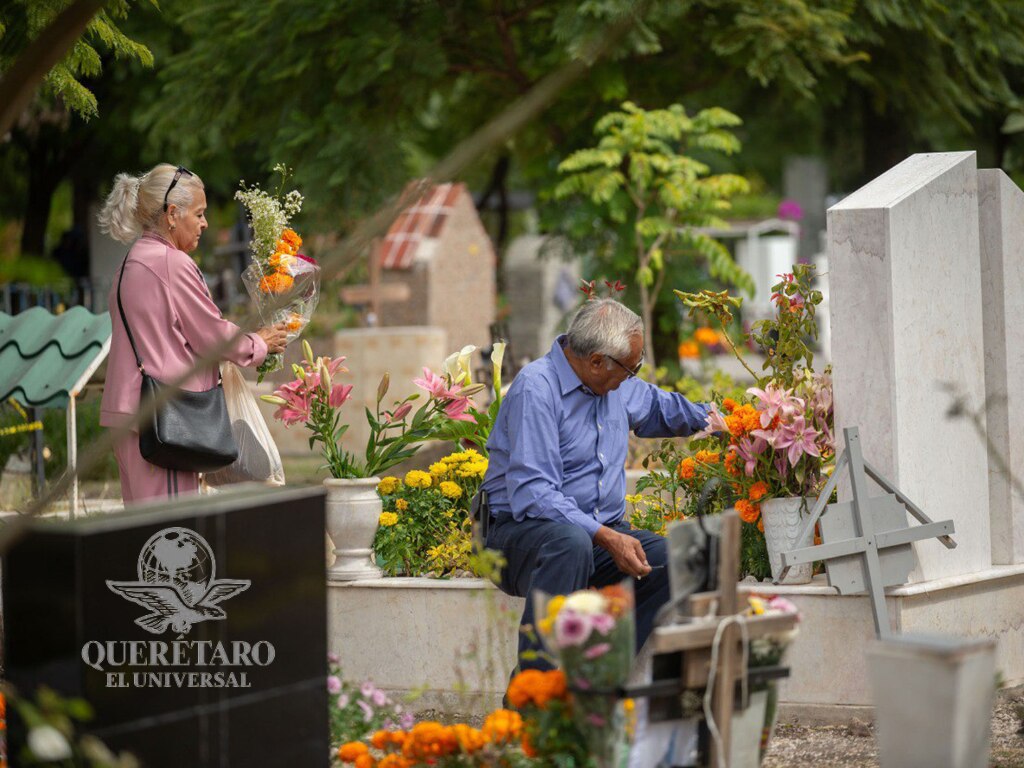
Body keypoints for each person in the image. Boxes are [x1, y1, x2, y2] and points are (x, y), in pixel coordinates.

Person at [481, 298, 710, 671]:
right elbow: (534, 493)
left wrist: (717, 419)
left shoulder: (614, 383)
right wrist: (604, 535)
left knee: (679, 561)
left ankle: (595, 677)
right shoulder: (536, 389)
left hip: (592, 537)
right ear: (596, 362)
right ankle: (531, 700)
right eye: (631, 368)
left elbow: (658, 407)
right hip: (518, 537)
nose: (633, 376)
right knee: (570, 543)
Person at [97, 163, 288, 504]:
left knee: (143, 531)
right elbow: (211, 334)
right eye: (199, 214)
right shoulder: (172, 263)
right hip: (166, 419)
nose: (205, 223)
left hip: (130, 416)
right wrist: (259, 344)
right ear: (172, 214)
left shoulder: (130, 263)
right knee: (171, 533)